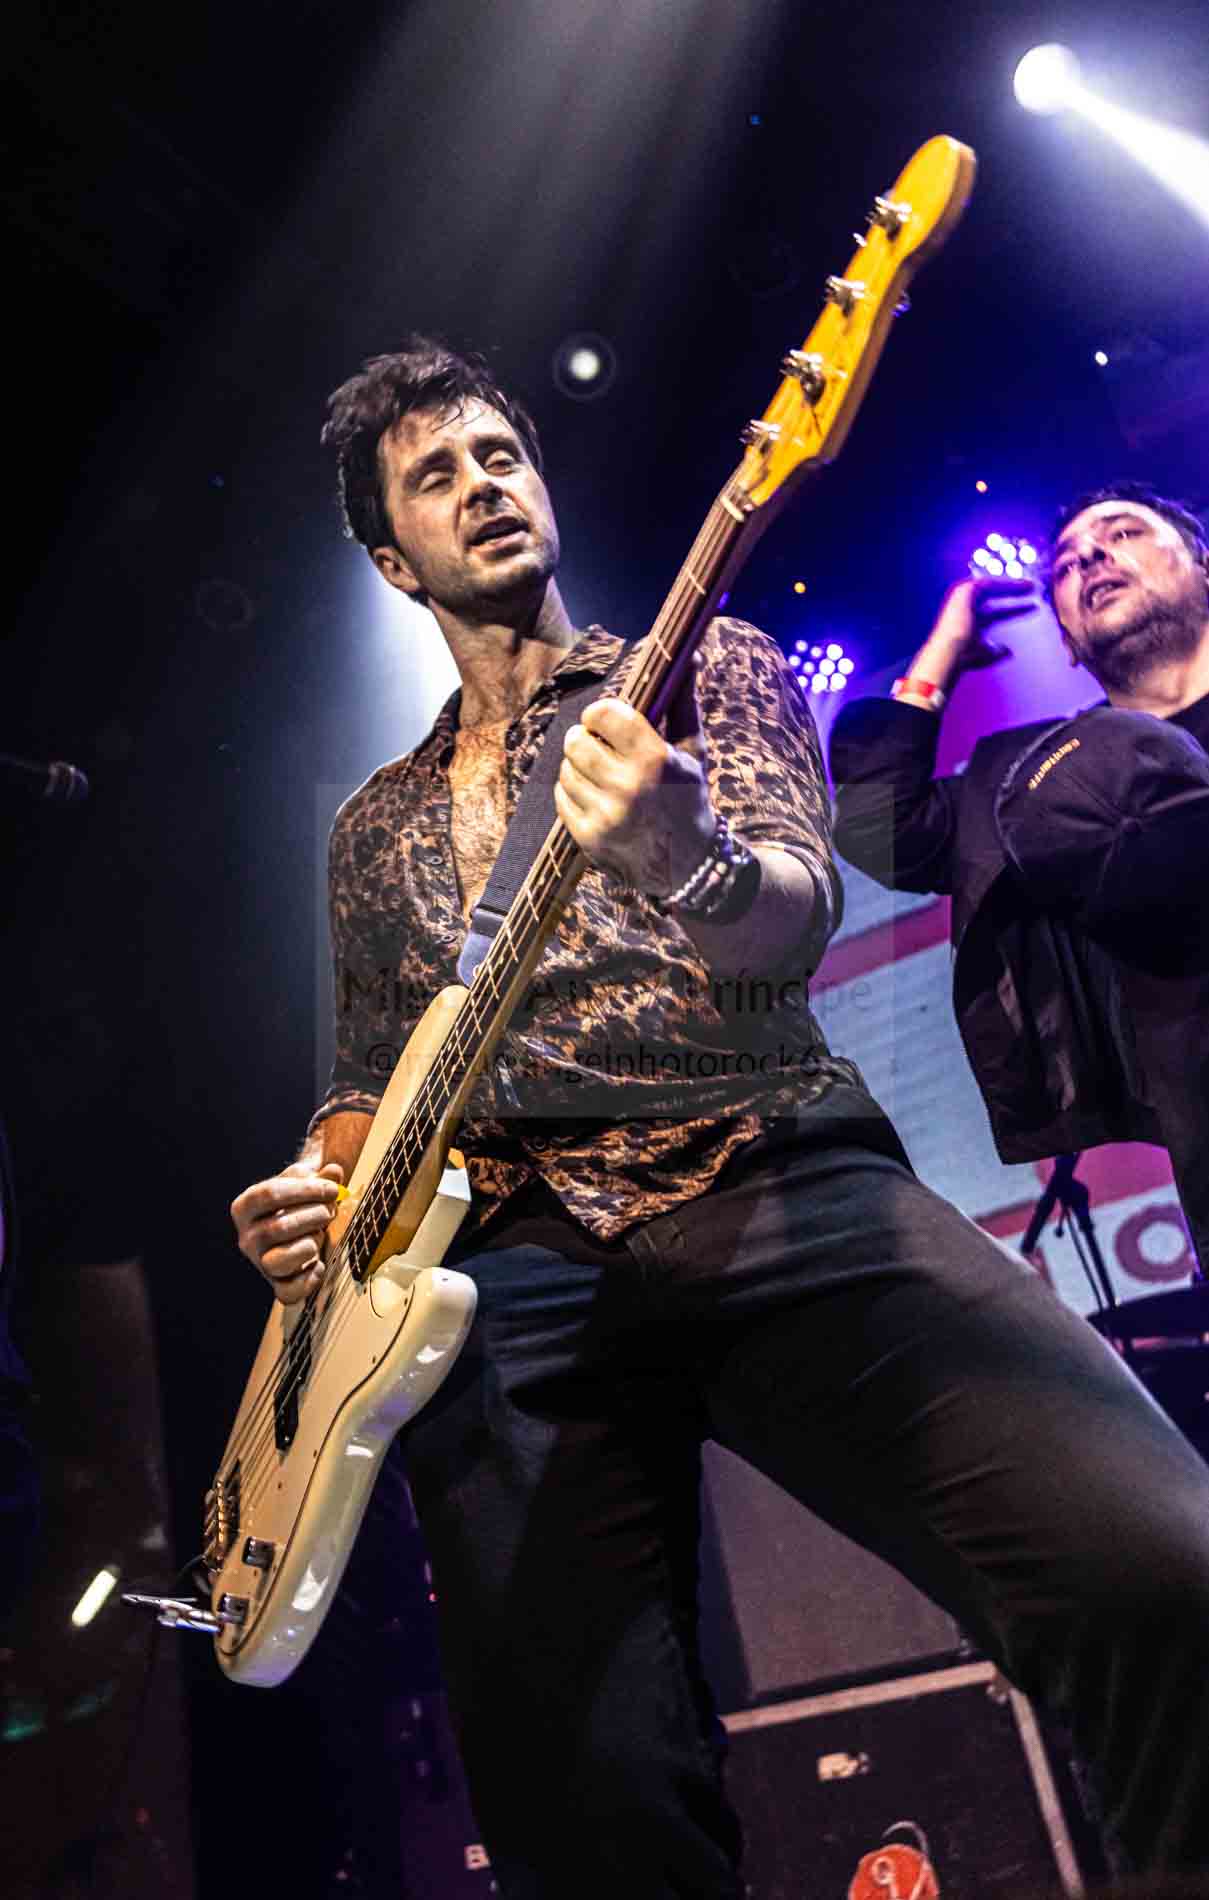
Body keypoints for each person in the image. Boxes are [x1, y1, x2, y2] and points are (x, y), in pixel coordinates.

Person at [231, 353, 1209, 1898]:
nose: (484, 484)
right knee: (583, 1805)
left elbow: (791, 917)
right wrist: (313, 1180)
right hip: (505, 1282)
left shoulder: (705, 660)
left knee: (1162, 1572)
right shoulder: (372, 828)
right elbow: (366, 1078)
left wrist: (686, 855)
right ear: (389, 561)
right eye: (437, 475)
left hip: (767, 1167)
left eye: (501, 454)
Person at [828, 483, 1209, 1271]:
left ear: (1200, 566)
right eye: (1064, 565)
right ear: (1064, 640)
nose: (1089, 557)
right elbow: (877, 830)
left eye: (1123, 533)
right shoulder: (1039, 785)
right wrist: (943, 649)